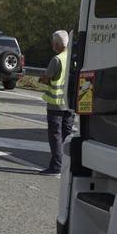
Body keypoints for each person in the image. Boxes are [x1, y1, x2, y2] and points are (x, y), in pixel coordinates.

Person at [37, 30, 74, 176]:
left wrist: (42, 79)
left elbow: (47, 78)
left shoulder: (56, 60)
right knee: (67, 134)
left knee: (55, 136)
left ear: (57, 44)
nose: (52, 44)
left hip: (55, 103)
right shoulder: (72, 59)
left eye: (53, 42)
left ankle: (56, 166)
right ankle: (68, 165)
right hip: (69, 103)